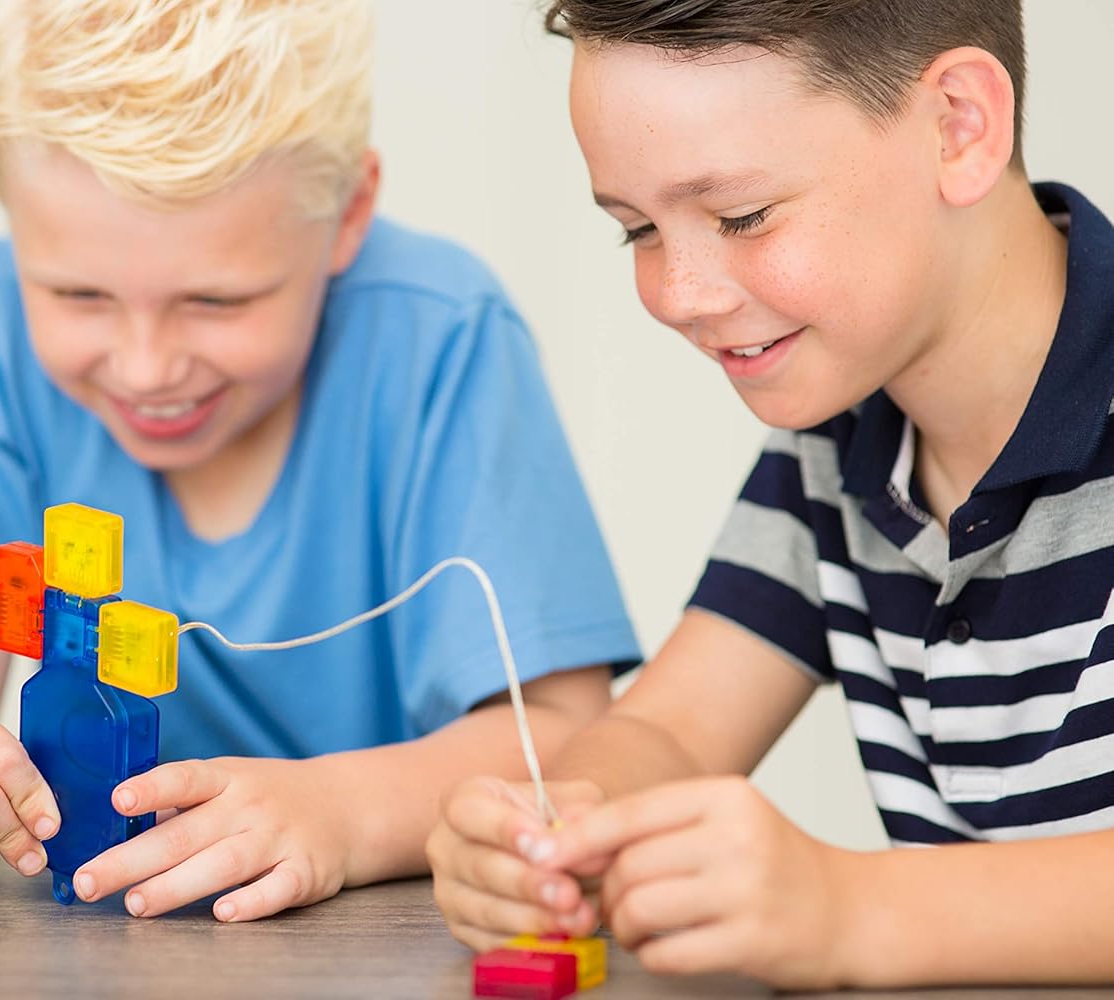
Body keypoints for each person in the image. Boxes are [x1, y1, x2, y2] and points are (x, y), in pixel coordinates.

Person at [0, 0, 640, 926]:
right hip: (110, 934)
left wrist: (343, 814)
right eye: (79, 294)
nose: (146, 368)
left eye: (215, 301)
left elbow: (563, 737)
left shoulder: (440, 341)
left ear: (348, 214)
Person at [428, 0, 1114, 988]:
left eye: (741, 216)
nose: (681, 294)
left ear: (958, 126)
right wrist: (556, 832)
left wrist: (851, 909)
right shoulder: (840, 442)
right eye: (638, 231)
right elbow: (667, 731)